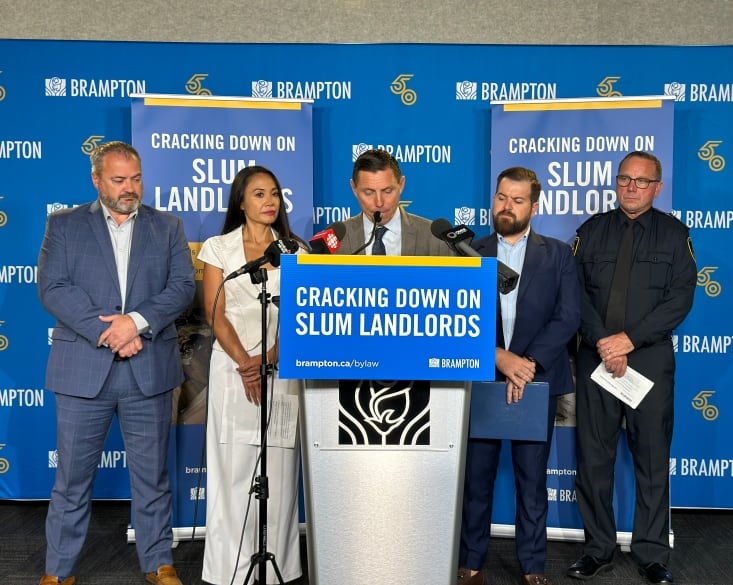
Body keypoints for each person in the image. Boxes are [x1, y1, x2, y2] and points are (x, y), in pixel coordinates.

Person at [37, 141, 195, 585]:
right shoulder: (64, 225)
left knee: (151, 476)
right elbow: (53, 287)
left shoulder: (167, 226)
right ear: (96, 180)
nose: (130, 188)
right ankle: (58, 571)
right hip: (83, 369)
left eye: (136, 178)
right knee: (71, 480)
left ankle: (158, 563)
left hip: (148, 371)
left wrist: (136, 323)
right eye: (119, 180)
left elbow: (182, 287)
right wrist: (112, 331)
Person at [568, 151, 696, 584]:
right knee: (593, 459)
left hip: (649, 362)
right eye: (625, 179)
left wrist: (629, 340)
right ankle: (598, 548)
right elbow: (575, 295)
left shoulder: (676, 235)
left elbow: (680, 298)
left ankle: (652, 553)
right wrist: (606, 342)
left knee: (652, 460)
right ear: (616, 182)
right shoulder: (590, 231)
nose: (632, 187)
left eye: (642, 181)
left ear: (657, 187)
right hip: (596, 361)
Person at [458, 167, 581, 585]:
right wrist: (500, 360)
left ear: (534, 205)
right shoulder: (470, 251)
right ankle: (471, 561)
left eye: (517, 200)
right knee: (477, 480)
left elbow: (568, 317)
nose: (506, 206)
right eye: (501, 198)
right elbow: (458, 321)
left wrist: (524, 364)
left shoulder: (559, 254)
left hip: (536, 380)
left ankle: (532, 568)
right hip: (483, 379)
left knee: (532, 482)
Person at [198, 165, 307, 585]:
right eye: (259, 194)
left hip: (281, 371)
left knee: (277, 472)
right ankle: (229, 570)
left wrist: (268, 360)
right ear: (240, 201)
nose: (269, 202)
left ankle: (277, 567)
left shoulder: (296, 250)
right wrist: (247, 363)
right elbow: (215, 313)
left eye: (275, 193)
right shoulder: (217, 248)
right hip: (232, 371)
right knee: (234, 469)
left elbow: (302, 316)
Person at [332, 148, 452, 256]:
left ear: (401, 185)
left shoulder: (435, 240)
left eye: (387, 191)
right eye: (369, 192)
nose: (379, 202)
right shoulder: (334, 241)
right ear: (354, 188)